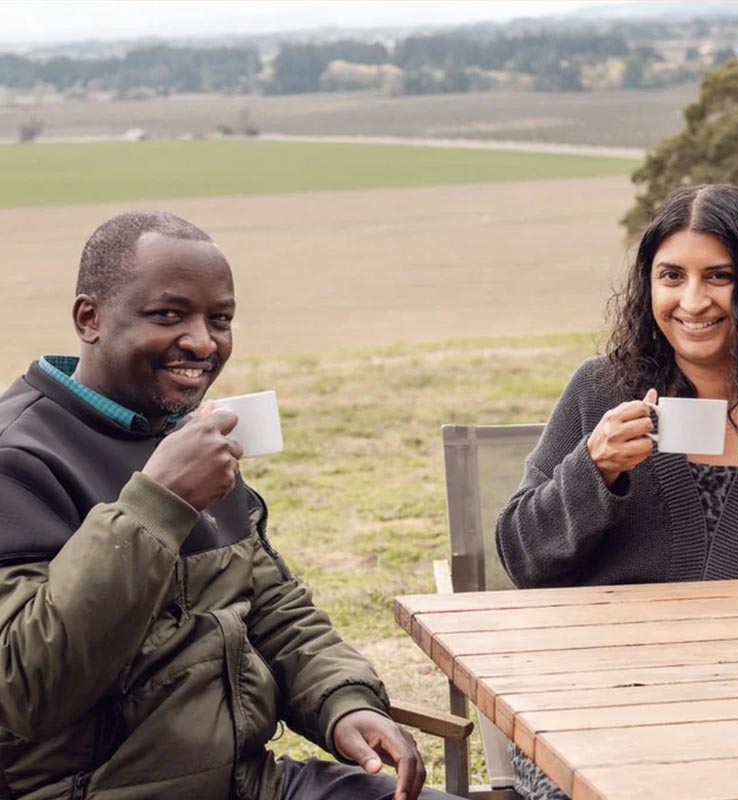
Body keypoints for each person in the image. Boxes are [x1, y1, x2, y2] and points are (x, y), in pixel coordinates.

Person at [0, 211, 463, 800]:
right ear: (89, 319)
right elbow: (24, 687)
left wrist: (343, 702)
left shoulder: (182, 437)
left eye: (219, 319)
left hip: (247, 784)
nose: (202, 341)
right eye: (168, 315)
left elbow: (270, 605)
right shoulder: (19, 460)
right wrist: (158, 503)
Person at [494, 183, 738, 800]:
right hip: (598, 713)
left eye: (720, 276)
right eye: (671, 276)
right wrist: (592, 470)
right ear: (648, 285)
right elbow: (521, 557)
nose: (693, 301)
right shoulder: (602, 389)